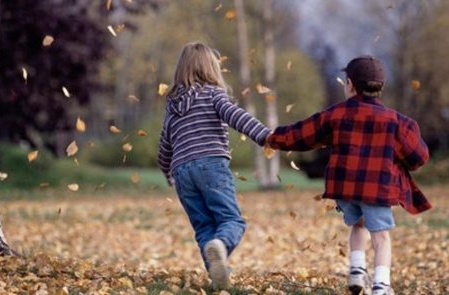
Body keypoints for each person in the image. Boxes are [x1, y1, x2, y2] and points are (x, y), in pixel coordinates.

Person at [266, 56, 430, 295]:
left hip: (346, 190)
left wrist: (271, 137)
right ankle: (381, 286)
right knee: (381, 237)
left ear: (350, 85)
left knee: (357, 224)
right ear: (379, 87)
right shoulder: (396, 122)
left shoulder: (335, 115)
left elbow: (301, 135)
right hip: (378, 190)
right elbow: (419, 157)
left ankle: (356, 271)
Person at [157, 42, 271, 288]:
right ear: (211, 68)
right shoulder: (213, 94)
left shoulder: (172, 107)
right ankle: (221, 245)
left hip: (182, 174)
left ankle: (218, 276)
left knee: (204, 227)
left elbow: (165, 145)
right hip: (211, 165)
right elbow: (235, 115)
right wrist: (264, 136)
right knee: (231, 220)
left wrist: (168, 173)